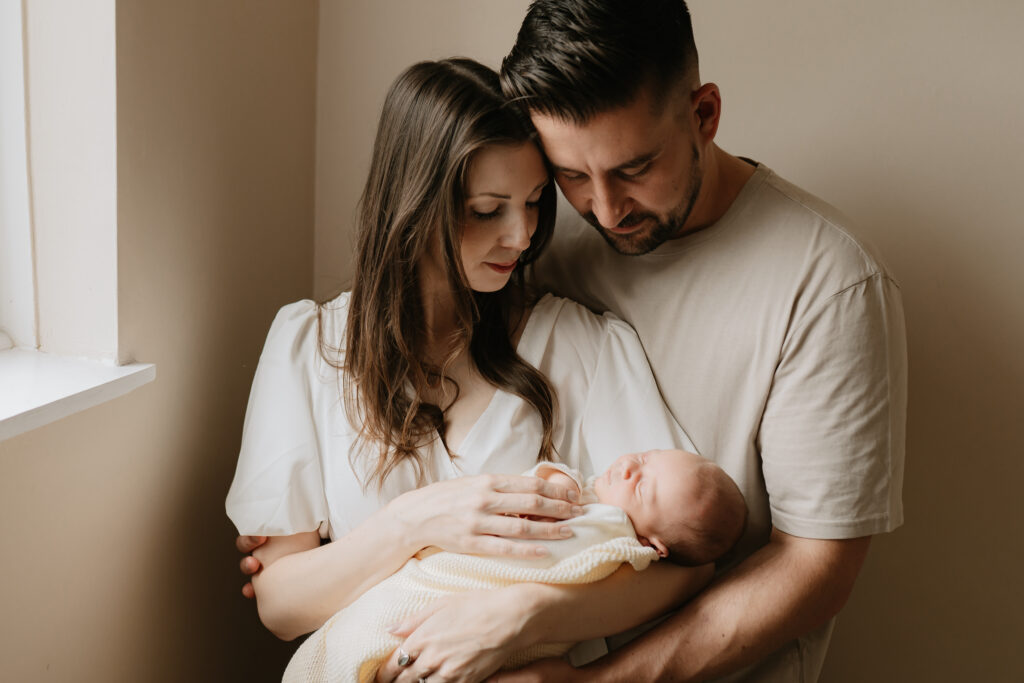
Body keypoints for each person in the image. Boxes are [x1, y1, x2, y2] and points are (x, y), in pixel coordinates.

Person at [366, 2, 909, 682]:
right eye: (570, 175)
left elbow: (816, 567)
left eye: (634, 168)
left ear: (703, 115)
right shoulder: (535, 239)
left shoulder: (827, 283)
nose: (604, 209)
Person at [226, 57, 713, 681]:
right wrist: (417, 521)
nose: (521, 235)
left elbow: (683, 565)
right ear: (414, 204)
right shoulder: (311, 348)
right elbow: (281, 604)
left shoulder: (579, 346)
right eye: (488, 210)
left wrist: (528, 614)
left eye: (535, 202)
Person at [281, 450, 746, 682]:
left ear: (654, 545)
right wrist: (557, 482)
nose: (627, 467)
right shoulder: (587, 497)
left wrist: (527, 606)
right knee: (364, 635)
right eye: (642, 459)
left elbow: (574, 556)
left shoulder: (619, 541)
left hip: (473, 617)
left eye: (644, 488)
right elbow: (549, 480)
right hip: (422, 584)